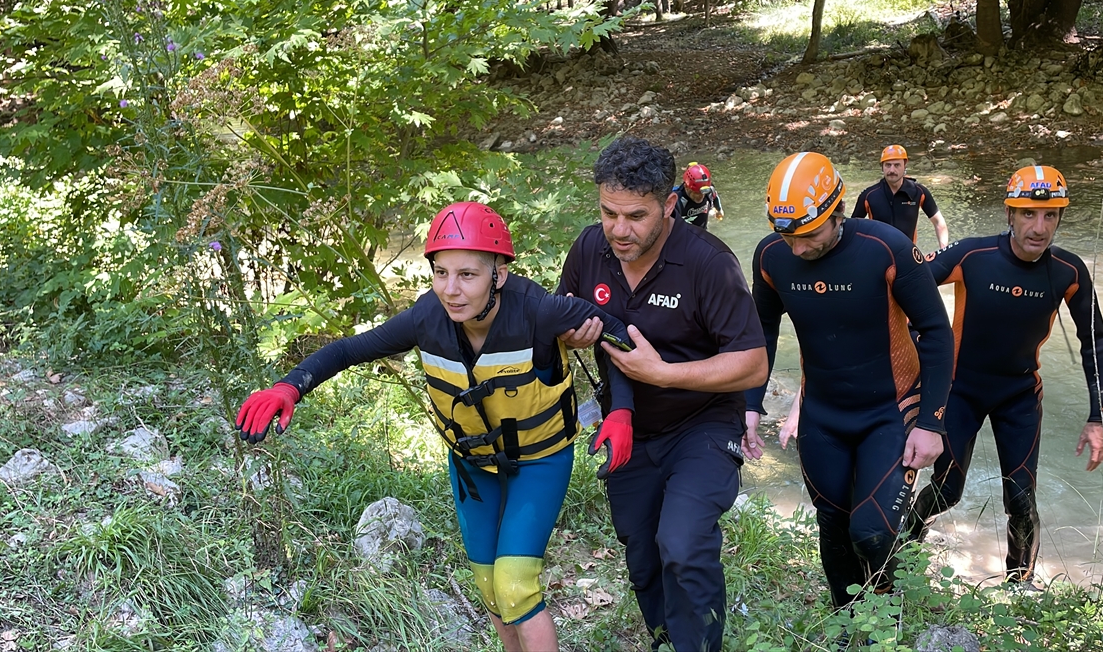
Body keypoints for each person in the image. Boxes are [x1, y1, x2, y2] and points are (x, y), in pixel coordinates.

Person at [234, 202, 639, 652]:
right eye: (441, 272)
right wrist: (290, 386)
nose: (451, 289)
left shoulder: (540, 311)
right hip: (471, 464)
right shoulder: (425, 317)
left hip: (540, 459)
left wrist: (621, 410)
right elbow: (349, 350)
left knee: (515, 583)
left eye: (468, 274)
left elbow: (617, 335)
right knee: (489, 586)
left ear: (498, 274)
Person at [558, 136, 768, 652]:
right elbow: (561, 312)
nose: (619, 230)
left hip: (703, 425)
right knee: (643, 554)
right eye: (609, 213)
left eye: (635, 216)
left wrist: (666, 374)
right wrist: (567, 333)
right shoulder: (589, 248)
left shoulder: (707, 262)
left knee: (683, 544)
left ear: (670, 205)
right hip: (627, 426)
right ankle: (666, 641)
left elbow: (753, 363)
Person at [744, 151, 954, 612]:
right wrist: (750, 404)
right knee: (833, 527)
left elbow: (937, 333)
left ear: (838, 214)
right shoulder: (771, 256)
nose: (797, 248)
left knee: (872, 532)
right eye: (787, 234)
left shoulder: (887, 248)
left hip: (892, 409)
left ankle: (888, 609)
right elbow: (762, 330)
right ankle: (847, 624)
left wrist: (932, 423)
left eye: (809, 234)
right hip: (824, 415)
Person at [904, 165, 1103, 584]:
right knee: (947, 491)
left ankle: (1020, 584)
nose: (1039, 227)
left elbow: (1096, 342)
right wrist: (912, 350)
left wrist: (1099, 416)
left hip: (1019, 394)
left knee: (1020, 498)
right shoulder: (972, 256)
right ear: (1010, 214)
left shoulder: (1069, 273)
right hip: (959, 390)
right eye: (1028, 215)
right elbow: (905, 285)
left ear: (1059, 218)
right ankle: (907, 547)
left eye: (1050, 215)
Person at [854, 145, 950, 248]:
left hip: (908, 256)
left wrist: (943, 252)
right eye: (888, 165)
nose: (892, 170)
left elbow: (939, 222)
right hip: (879, 257)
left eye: (897, 165)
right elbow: (853, 229)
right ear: (882, 166)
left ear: (905, 165)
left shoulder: (919, 192)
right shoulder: (869, 195)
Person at [671, 161, 725, 230]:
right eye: (697, 193)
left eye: (704, 192)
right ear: (686, 187)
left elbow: (715, 197)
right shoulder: (676, 201)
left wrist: (719, 210)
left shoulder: (709, 190)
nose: (701, 196)